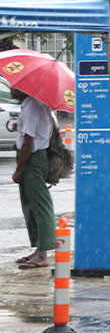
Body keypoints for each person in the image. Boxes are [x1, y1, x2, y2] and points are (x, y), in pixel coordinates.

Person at [11, 88, 55, 269]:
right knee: (30, 205)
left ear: (24, 89)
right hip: (33, 157)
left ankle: (43, 254)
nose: (12, 89)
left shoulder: (32, 106)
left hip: (33, 160)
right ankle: (38, 250)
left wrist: (19, 170)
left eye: (14, 87)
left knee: (40, 206)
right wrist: (19, 127)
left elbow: (29, 143)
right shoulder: (33, 104)